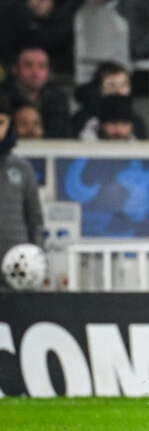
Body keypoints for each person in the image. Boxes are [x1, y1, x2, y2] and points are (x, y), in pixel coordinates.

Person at [0, 92, 44, 289]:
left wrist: (37, 257)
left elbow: (35, 220)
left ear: (9, 124)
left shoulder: (21, 167)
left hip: (18, 267)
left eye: (1, 122)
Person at [1, 46, 70, 138]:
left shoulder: (59, 100)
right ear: (15, 69)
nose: (35, 73)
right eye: (28, 65)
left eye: (41, 66)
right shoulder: (2, 98)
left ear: (48, 71)